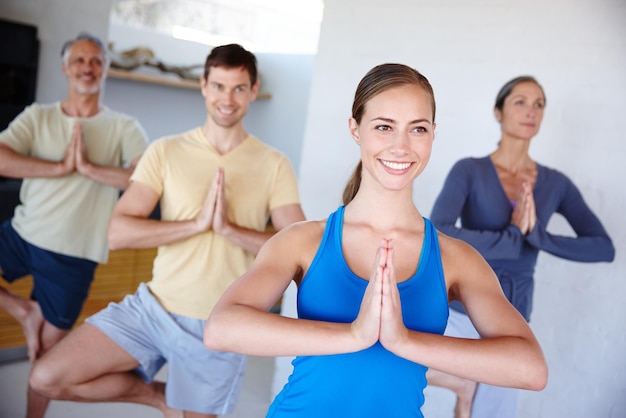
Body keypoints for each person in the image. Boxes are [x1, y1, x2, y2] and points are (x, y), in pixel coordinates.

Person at [203, 63, 548, 418]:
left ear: (433, 133)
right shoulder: (302, 241)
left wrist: (404, 340)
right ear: (355, 129)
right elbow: (221, 329)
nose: (400, 146)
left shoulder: (455, 258)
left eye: (418, 129)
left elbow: (531, 369)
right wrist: (353, 335)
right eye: (384, 127)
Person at [29, 43, 305, 418]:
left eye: (239, 88)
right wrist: (195, 225)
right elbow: (118, 232)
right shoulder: (166, 151)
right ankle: (160, 398)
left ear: (253, 91)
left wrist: (227, 229)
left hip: (221, 322)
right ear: (204, 86)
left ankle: (180, 402)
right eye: (219, 86)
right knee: (46, 376)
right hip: (153, 309)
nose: (228, 98)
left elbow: (298, 252)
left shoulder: (274, 164)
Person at [425, 75, 615, 418]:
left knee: (486, 412)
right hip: (460, 309)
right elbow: (437, 231)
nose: (531, 111)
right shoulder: (469, 171)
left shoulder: (556, 184)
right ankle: (461, 385)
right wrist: (514, 237)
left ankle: (466, 391)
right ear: (498, 112)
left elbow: (603, 248)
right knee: (393, 361)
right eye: (520, 102)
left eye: (539, 104)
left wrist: (538, 237)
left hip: (512, 321)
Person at [0, 32, 148, 417]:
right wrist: (60, 168)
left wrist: (90, 169)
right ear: (65, 68)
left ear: (105, 70)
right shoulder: (38, 116)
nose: (88, 67)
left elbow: (144, 181)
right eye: (80, 60)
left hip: (73, 255)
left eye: (96, 60)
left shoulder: (124, 127)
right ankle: (23, 311)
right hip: (22, 234)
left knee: (45, 360)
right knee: (38, 335)